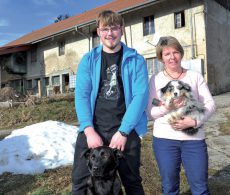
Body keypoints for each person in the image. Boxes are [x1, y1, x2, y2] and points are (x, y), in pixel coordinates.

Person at [72, 10, 148, 195]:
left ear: (121, 30)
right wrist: (89, 130)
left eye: (114, 28)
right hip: (93, 127)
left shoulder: (136, 60)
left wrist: (123, 131)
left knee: (132, 182)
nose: (110, 33)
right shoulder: (88, 60)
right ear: (98, 32)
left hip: (125, 129)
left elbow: (140, 96)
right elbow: (81, 95)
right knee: (79, 183)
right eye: (105, 29)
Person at [147, 36, 215, 195]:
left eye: (176, 52)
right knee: (169, 187)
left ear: (181, 54)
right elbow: (149, 112)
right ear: (161, 57)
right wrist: (167, 108)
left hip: (194, 140)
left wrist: (194, 121)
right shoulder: (155, 80)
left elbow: (210, 104)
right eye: (167, 54)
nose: (172, 57)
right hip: (165, 141)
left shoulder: (195, 76)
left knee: (200, 188)